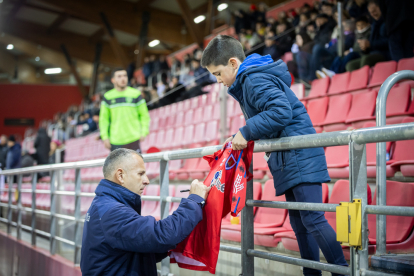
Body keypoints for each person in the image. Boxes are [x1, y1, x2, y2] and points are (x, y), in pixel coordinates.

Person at [201, 35, 347, 276]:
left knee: (312, 219)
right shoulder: (248, 79)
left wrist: (246, 131)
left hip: (299, 153)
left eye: (218, 73)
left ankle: (342, 271)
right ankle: (312, 273)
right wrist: (241, 134)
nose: (218, 80)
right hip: (288, 157)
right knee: (300, 224)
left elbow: (281, 112)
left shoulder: (253, 79)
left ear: (233, 63)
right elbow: (270, 119)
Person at [80, 148, 210, 276]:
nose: (146, 180)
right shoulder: (112, 212)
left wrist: (171, 245)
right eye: (140, 174)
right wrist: (194, 201)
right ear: (120, 176)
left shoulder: (104, 204)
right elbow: (161, 235)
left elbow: (136, 248)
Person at [99, 68, 150, 152]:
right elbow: (103, 119)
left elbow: (144, 115)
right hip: (115, 141)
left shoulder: (136, 94)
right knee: (118, 166)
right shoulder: (107, 97)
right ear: (113, 80)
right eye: (119, 76)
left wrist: (144, 132)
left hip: (134, 139)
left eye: (125, 76)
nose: (123, 78)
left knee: (135, 165)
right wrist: (104, 137)